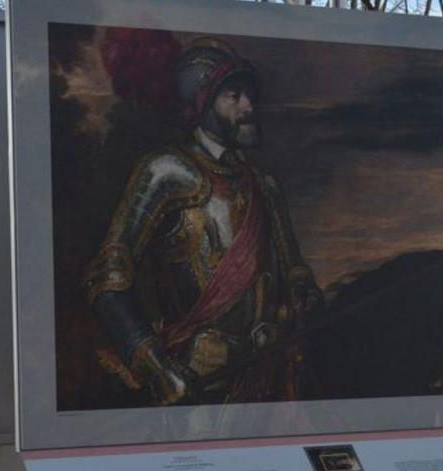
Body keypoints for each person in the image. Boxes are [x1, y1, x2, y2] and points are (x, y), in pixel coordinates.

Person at [86, 38, 323, 406]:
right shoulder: (165, 172)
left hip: (268, 379)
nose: (249, 107)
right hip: (199, 382)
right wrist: (159, 370)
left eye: (249, 96)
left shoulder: (264, 186)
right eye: (234, 96)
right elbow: (108, 279)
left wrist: (303, 296)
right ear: (202, 103)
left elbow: (294, 270)